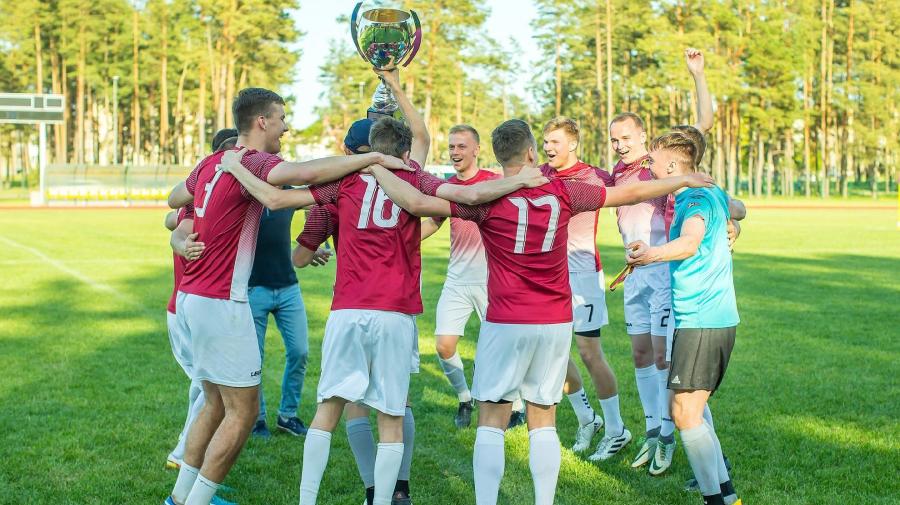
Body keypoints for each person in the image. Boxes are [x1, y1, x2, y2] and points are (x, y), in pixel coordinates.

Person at [217, 69, 544, 505]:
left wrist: (235, 166)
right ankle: (390, 496)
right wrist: (395, 84)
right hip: (394, 310)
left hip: (348, 309)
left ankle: (308, 500)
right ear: (405, 152)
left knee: (327, 411)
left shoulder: (343, 181)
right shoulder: (413, 176)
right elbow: (452, 179)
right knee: (393, 416)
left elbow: (277, 200)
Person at [366, 118, 713, 505]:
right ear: (531, 152)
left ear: (499, 157)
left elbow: (415, 203)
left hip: (506, 320)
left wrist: (375, 165)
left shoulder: (483, 198)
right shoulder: (563, 190)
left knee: (491, 419)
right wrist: (683, 179)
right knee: (543, 418)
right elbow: (629, 193)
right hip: (554, 321)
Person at [163, 87, 410, 505]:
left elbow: (174, 200)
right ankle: (196, 501)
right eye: (281, 119)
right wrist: (369, 159)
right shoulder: (254, 161)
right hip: (222, 300)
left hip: (191, 297)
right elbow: (305, 173)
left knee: (214, 403)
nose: (286, 127)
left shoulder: (212, 162)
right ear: (262, 121)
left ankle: (180, 497)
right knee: (243, 412)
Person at [627, 131, 742, 505]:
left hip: (702, 319)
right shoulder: (710, 192)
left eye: (654, 161)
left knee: (685, 413)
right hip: (710, 318)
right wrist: (734, 222)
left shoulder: (693, 197)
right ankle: (727, 497)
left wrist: (651, 254)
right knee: (690, 412)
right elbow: (736, 210)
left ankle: (717, 500)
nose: (649, 167)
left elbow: (691, 241)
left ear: (674, 165)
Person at [420, 124, 526, 429]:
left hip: (493, 280)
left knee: (503, 347)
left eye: (461, 146)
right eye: (451, 146)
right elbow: (433, 223)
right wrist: (398, 241)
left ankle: (517, 405)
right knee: (444, 346)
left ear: (477, 150)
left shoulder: (495, 182)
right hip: (457, 280)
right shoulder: (449, 187)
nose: (455, 152)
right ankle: (465, 398)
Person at [538, 116, 630, 461]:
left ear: (573, 143)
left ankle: (617, 430)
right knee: (553, 353)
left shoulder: (595, 176)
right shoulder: (540, 175)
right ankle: (586, 419)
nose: (548, 148)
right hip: (549, 277)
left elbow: (638, 188)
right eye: (546, 142)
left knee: (589, 353)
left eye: (555, 142)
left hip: (583, 276)